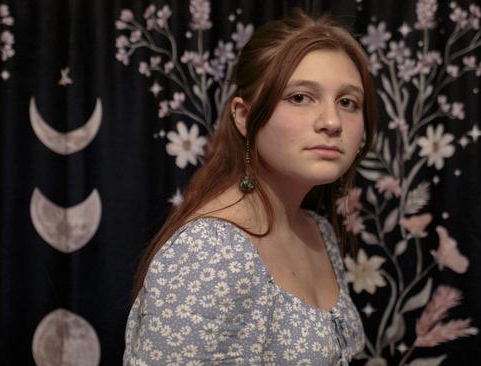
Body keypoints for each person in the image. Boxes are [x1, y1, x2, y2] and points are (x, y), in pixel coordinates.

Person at [124, 8, 377, 366]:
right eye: (300, 97)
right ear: (243, 116)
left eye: (348, 102)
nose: (332, 121)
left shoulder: (316, 230)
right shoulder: (210, 252)